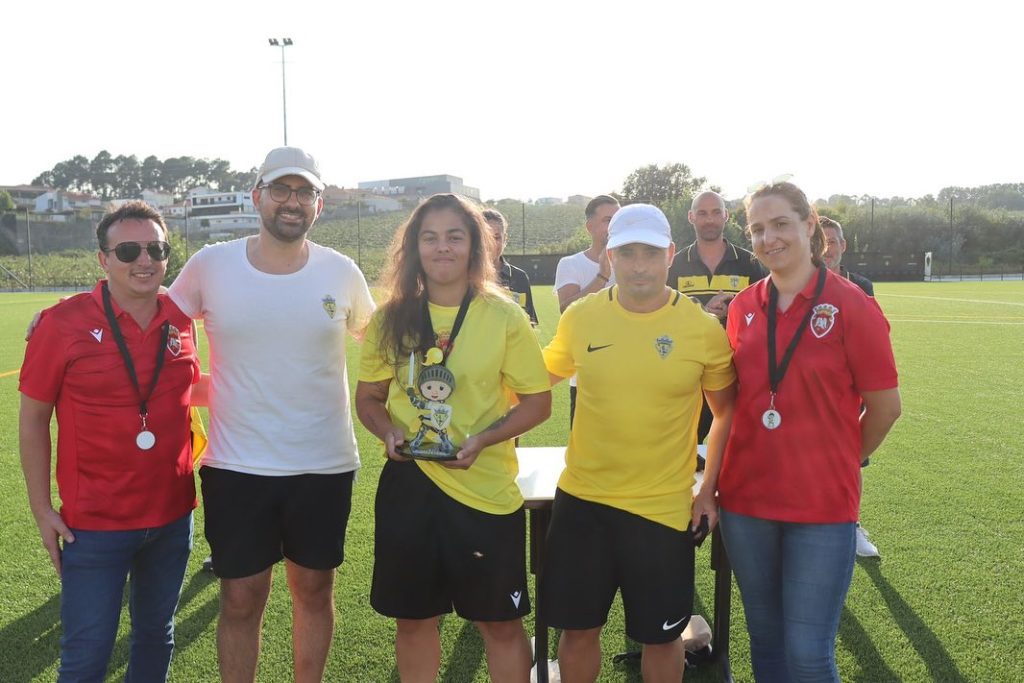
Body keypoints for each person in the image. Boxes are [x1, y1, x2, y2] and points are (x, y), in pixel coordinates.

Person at [170, 146, 375, 683]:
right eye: (281, 190)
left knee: (313, 590)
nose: (292, 202)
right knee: (240, 596)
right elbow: (155, 318)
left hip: (323, 462)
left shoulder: (341, 271)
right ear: (257, 196)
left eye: (303, 192)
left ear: (319, 204)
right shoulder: (211, 264)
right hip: (237, 465)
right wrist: (64, 316)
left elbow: (381, 344)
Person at [355, 193, 551, 683]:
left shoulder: (504, 316)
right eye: (430, 237)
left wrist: (483, 440)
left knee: (501, 624)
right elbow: (369, 399)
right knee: (415, 620)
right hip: (410, 487)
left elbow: (537, 403)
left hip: (484, 491)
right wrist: (388, 430)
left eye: (454, 236)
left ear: (475, 246)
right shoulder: (390, 317)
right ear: (415, 248)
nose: (442, 247)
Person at [542, 203, 737, 683]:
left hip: (662, 511)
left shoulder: (702, 331)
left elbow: (728, 411)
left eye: (650, 252)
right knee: (579, 631)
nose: (639, 264)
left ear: (671, 254)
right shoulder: (581, 317)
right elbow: (534, 378)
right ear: (609, 257)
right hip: (583, 503)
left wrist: (708, 487)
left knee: (662, 637)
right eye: (626, 252)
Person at [715, 181, 901, 681]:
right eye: (756, 229)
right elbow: (733, 403)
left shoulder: (852, 305)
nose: (768, 238)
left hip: (821, 506)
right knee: (767, 645)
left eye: (780, 224)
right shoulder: (743, 308)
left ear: (809, 226)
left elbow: (885, 408)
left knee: (808, 653)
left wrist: (843, 458)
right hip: (746, 502)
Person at [19, 200, 202, 682]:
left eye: (156, 248)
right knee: (87, 655)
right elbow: (33, 421)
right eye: (127, 250)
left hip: (172, 517)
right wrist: (42, 509)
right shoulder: (61, 325)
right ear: (103, 259)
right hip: (94, 524)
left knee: (155, 637)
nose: (144, 260)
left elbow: (191, 395)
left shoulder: (182, 320)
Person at [668, 191, 766, 452]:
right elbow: (662, 314)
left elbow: (766, 314)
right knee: (687, 445)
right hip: (691, 369)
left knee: (743, 444)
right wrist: (703, 312)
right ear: (691, 217)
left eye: (715, 212)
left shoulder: (750, 262)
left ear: (726, 216)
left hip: (741, 369)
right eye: (702, 213)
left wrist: (736, 308)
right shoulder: (674, 265)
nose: (709, 219)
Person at [820, 215, 881, 558]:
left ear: (843, 246)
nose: (827, 248)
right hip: (814, 388)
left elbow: (870, 339)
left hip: (850, 390)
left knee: (853, 461)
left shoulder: (861, 285)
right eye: (821, 241)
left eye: (833, 241)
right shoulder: (800, 284)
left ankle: (851, 525)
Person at [553, 194, 619, 425]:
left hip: (628, 374)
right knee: (585, 449)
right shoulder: (571, 264)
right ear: (590, 227)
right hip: (585, 377)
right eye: (607, 220)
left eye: (618, 219)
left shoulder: (632, 265)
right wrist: (602, 275)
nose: (614, 226)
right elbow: (567, 309)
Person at [482, 208, 539, 325]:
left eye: (496, 237)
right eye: (485, 237)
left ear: (505, 239)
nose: (491, 243)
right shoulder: (464, 277)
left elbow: (529, 324)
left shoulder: (519, 277)